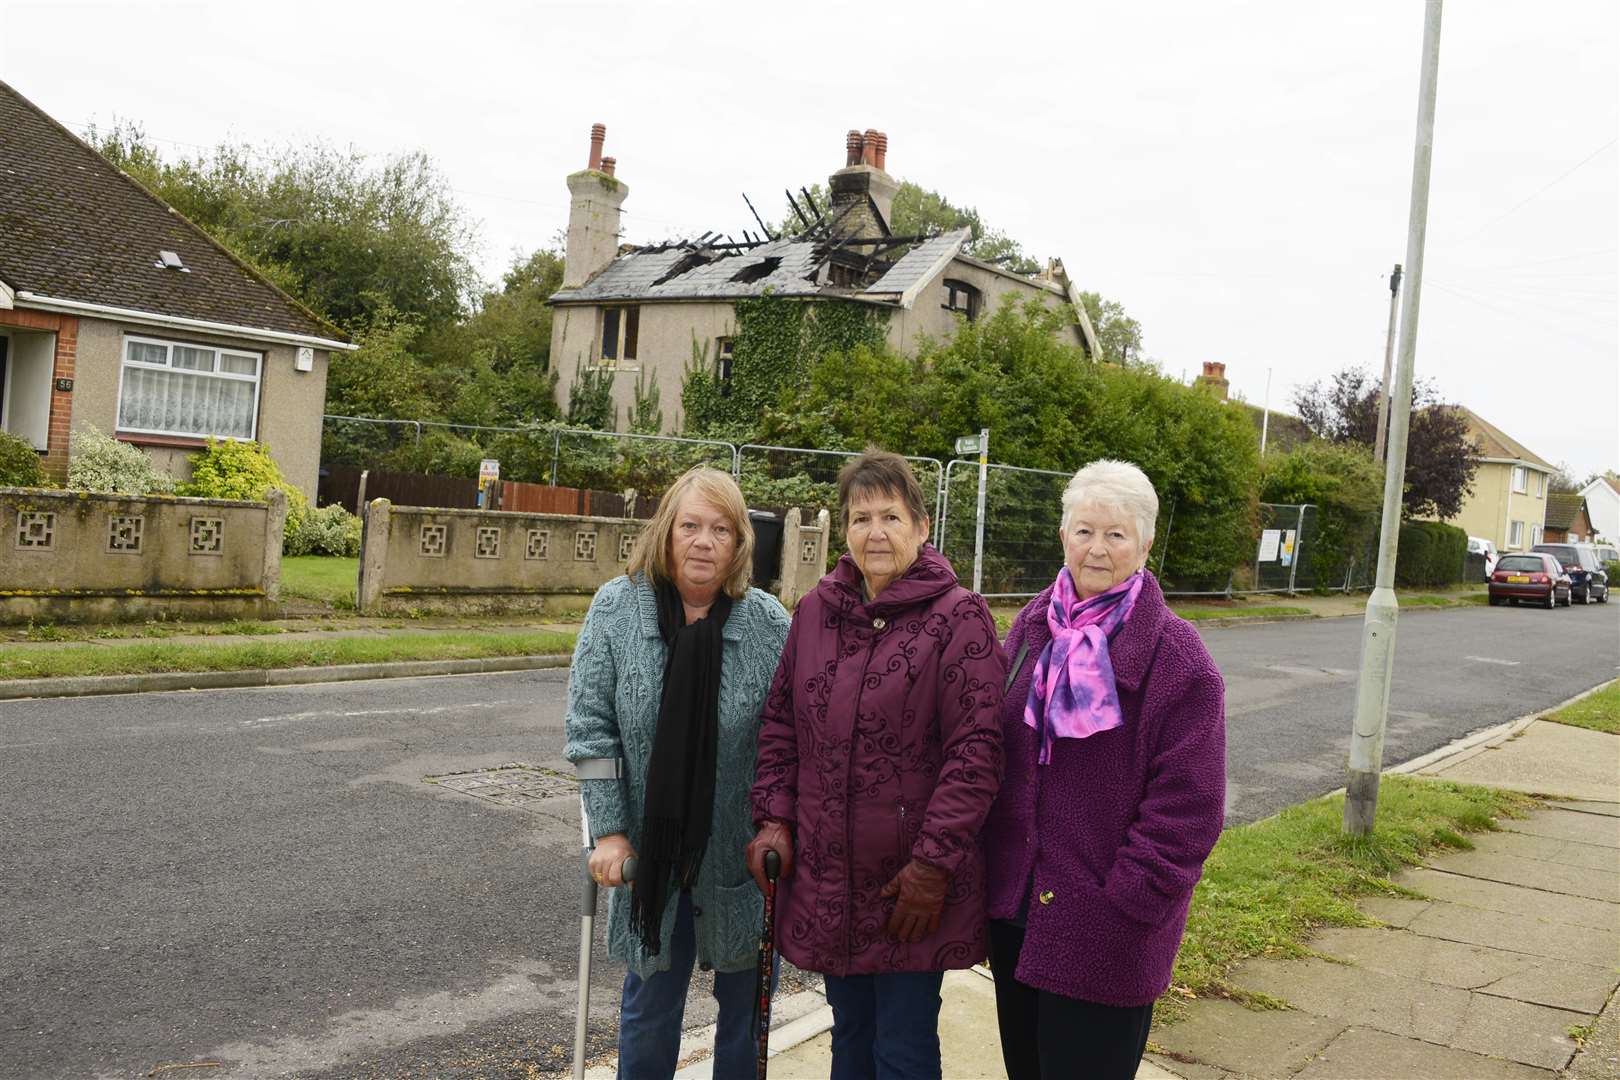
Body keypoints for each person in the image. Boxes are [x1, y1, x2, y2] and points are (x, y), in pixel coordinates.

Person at [749, 449, 1005, 1080]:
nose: (876, 532)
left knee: (903, 1045)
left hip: (907, 886)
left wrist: (932, 865)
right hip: (832, 875)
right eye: (862, 518)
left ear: (921, 527)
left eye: (891, 516)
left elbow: (976, 752)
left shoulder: (958, 617)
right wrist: (774, 820)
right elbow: (781, 725)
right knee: (851, 1035)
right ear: (845, 531)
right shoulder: (816, 612)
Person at [983, 459, 1226, 1080]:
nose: (1097, 548)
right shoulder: (1035, 625)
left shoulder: (1179, 660)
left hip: (1108, 932)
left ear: (1145, 544)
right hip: (1019, 919)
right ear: (1063, 536)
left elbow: (1188, 812)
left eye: (1116, 534)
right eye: (1084, 530)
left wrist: (1128, 904)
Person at [564, 466, 790, 1080]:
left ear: (741, 542)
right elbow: (589, 730)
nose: (703, 541)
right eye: (690, 525)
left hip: (737, 860)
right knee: (649, 1012)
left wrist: (778, 826)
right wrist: (608, 833)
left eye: (721, 529)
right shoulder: (617, 608)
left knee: (745, 1018)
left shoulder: (769, 625)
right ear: (666, 531)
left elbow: (788, 740)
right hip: (650, 860)